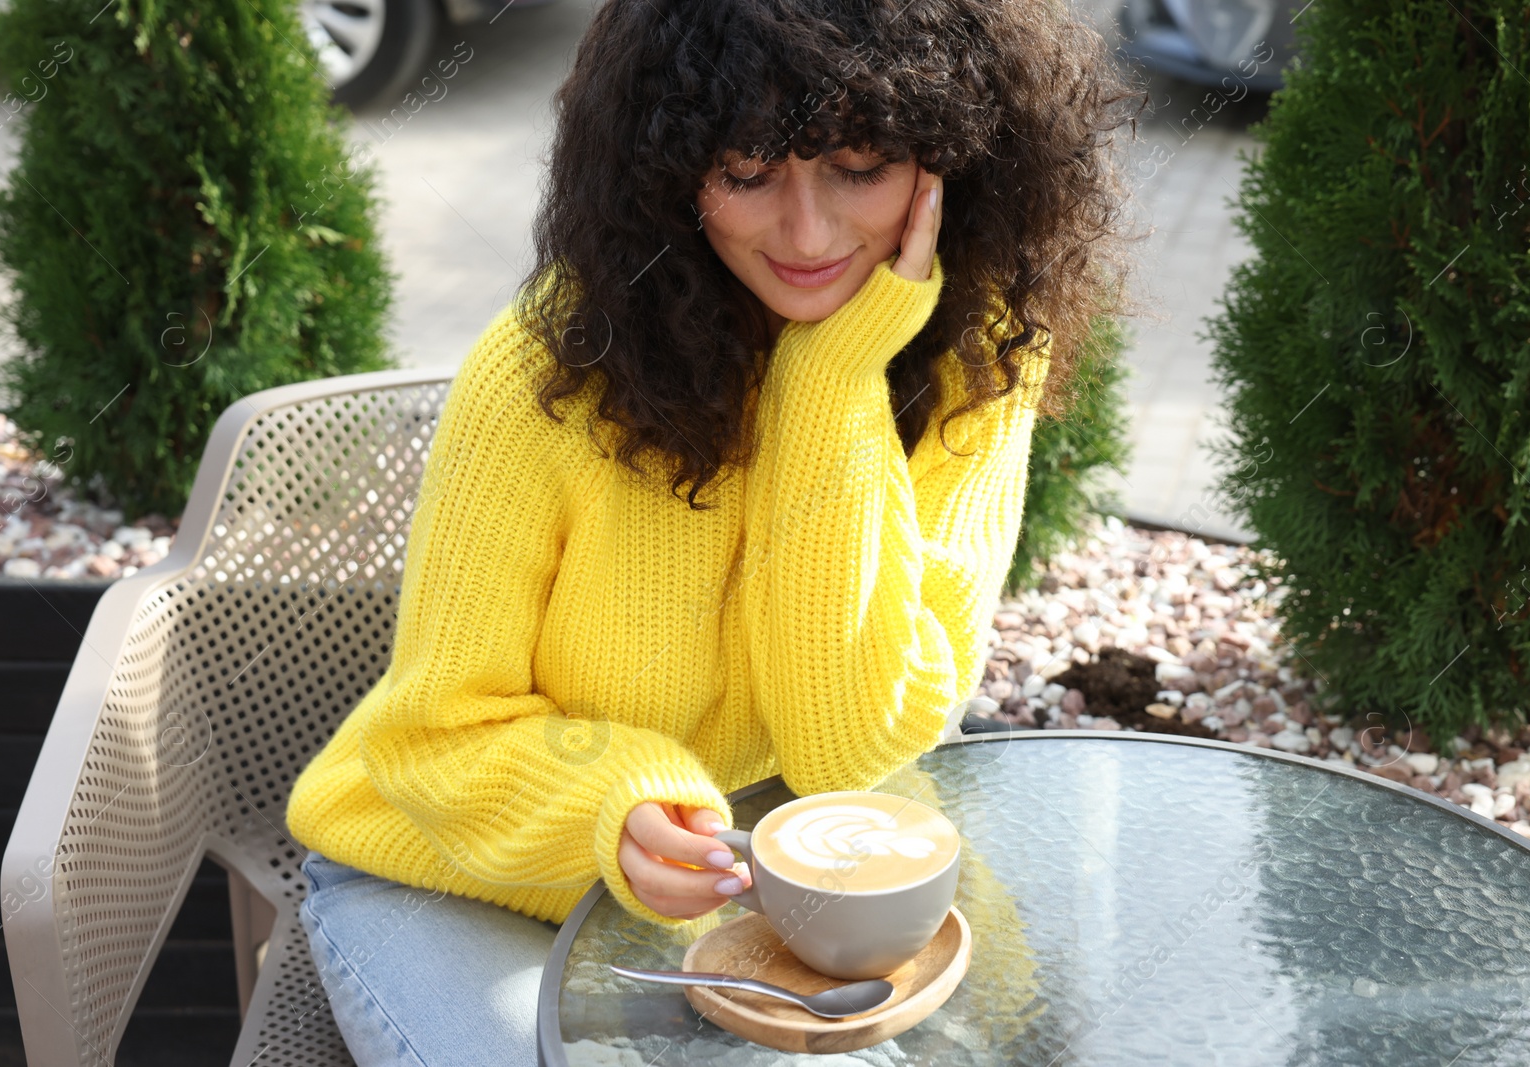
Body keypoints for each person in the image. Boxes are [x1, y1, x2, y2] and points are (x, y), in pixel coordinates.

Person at [283, 1, 1140, 1063]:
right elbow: (433, 736)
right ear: (664, 166)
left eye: (858, 166)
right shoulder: (541, 380)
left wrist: (828, 381)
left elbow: (852, 748)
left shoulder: (982, 352)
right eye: (746, 173)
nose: (809, 233)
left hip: (760, 875)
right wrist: (614, 799)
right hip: (453, 874)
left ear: (951, 158)